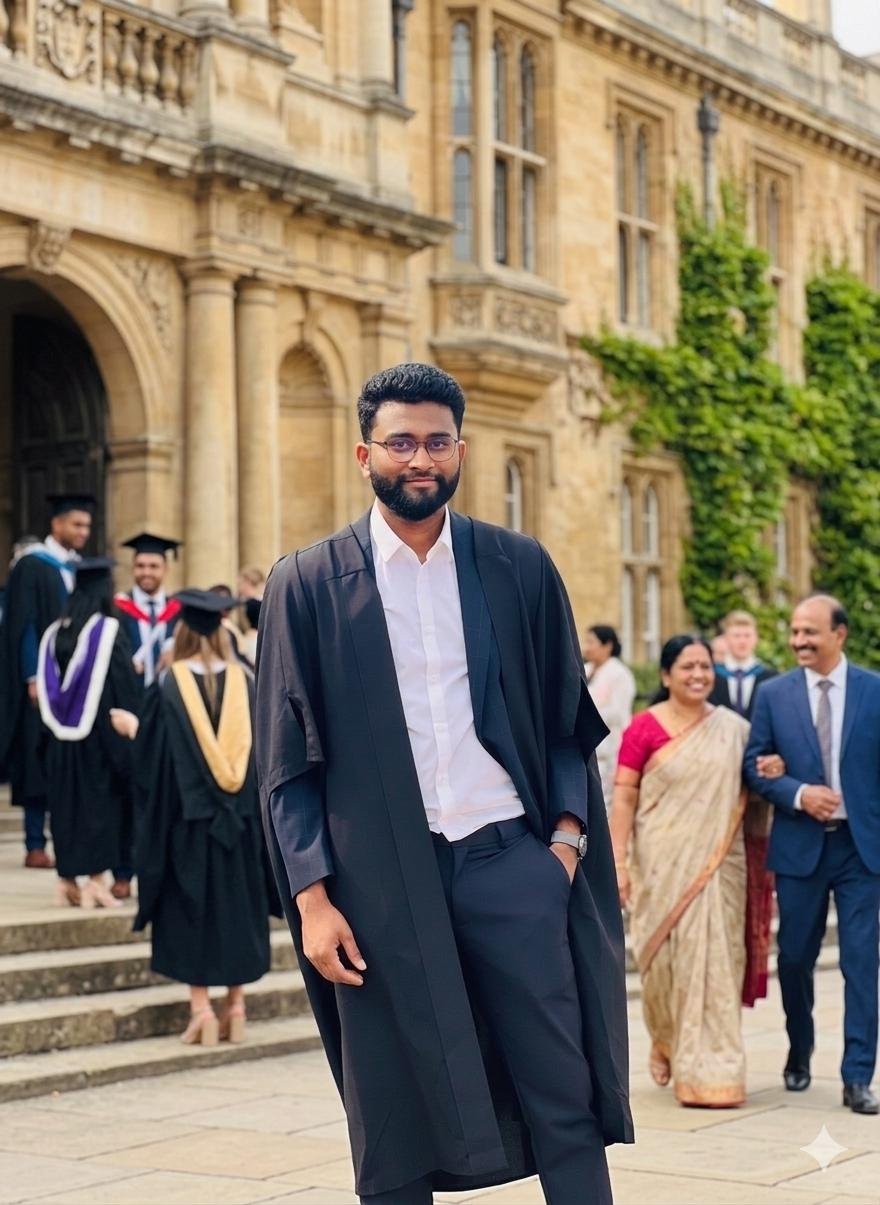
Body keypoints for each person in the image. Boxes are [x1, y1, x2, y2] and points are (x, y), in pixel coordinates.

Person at [256, 362, 632, 1205]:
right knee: (391, 1110)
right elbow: (285, 761)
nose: (419, 459)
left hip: (510, 864)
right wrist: (313, 900)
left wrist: (562, 848)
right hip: (376, 885)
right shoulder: (307, 584)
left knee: (562, 1090)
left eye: (436, 441)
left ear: (461, 449)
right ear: (364, 454)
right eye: (400, 443)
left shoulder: (517, 567)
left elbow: (567, 723)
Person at [610, 634, 781, 1108]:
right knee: (662, 970)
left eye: (706, 666)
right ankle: (667, 1039)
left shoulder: (734, 730)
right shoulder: (643, 728)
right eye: (687, 667)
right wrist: (618, 861)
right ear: (666, 675)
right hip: (660, 865)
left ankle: (715, 1071)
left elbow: (754, 794)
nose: (699, 675)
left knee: (716, 966)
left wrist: (771, 770)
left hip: (721, 868)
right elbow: (623, 799)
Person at [117, 589, 273, 1046]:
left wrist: (134, 731)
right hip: (241, 826)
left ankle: (202, 1010)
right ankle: (236, 1007)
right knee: (237, 910)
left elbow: (151, 766)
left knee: (192, 912)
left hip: (188, 826)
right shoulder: (248, 684)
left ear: (181, 631)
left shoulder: (169, 685)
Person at [744, 594, 880, 1115]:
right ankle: (799, 1050)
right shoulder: (773, 694)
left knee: (861, 962)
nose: (798, 641)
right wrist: (799, 793)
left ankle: (858, 1076)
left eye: (809, 633)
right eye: (795, 632)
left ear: (839, 635)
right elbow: (754, 766)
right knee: (796, 958)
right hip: (799, 847)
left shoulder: (873, 690)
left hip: (859, 849)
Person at [35, 557, 141, 908]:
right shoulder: (107, 632)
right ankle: (96, 881)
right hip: (99, 741)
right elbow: (122, 687)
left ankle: (66, 880)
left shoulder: (54, 633)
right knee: (100, 807)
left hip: (60, 742)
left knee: (65, 807)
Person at [0, 493, 95, 868]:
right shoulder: (32, 565)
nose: (83, 532)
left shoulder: (81, 569)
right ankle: (35, 842)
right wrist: (31, 676)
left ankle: (68, 841)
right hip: (43, 681)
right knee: (36, 761)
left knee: (69, 763)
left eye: (87, 526)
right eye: (77, 524)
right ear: (57, 524)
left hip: (76, 681)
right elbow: (24, 624)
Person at [112, 532, 183, 899]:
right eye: (140, 566)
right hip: (130, 712)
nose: (146, 572)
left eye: (153, 565)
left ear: (165, 568)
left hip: (167, 717)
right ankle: (123, 871)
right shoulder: (117, 610)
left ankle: (161, 871)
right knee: (126, 796)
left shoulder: (179, 612)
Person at [583, 624, 637, 809]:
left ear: (607, 646)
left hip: (610, 747)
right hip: (587, 747)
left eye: (591, 642)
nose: (586, 647)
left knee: (606, 803)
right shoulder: (585, 669)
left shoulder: (620, 674)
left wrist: (586, 716)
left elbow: (618, 713)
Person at [710, 610, 777, 720]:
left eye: (747, 636)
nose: (742, 641)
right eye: (736, 636)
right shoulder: (712, 676)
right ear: (726, 638)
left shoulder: (771, 677)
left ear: (756, 638)